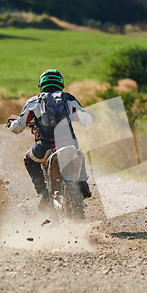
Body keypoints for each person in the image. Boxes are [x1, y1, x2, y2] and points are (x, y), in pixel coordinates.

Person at [7, 69, 93, 210]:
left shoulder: (33, 101)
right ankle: (83, 186)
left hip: (45, 147)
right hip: (68, 144)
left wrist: (12, 123)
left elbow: (17, 128)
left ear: (41, 85)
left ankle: (43, 194)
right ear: (61, 84)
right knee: (79, 153)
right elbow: (87, 121)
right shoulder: (68, 98)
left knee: (28, 160)